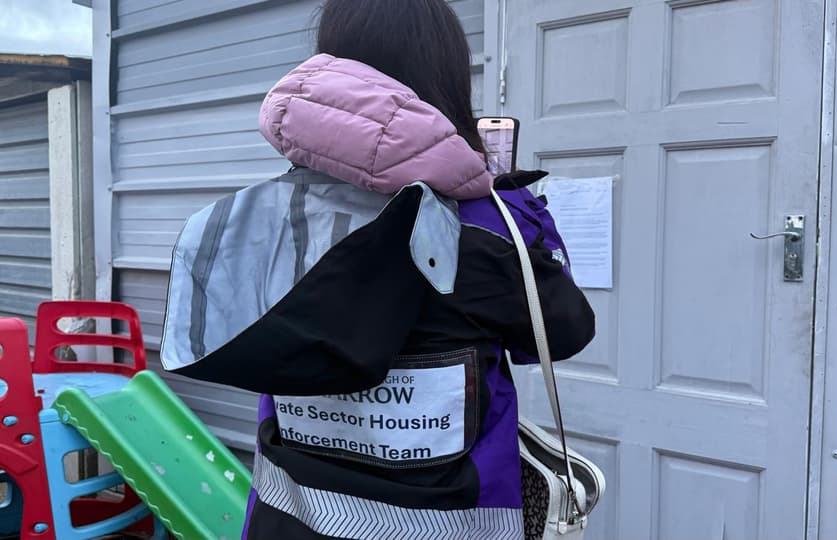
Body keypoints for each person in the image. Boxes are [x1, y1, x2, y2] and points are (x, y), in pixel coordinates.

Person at [158, 0, 595, 538]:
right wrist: (516, 204)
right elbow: (562, 332)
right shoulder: (484, 224)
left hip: (289, 518)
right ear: (444, 74)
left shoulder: (275, 215)